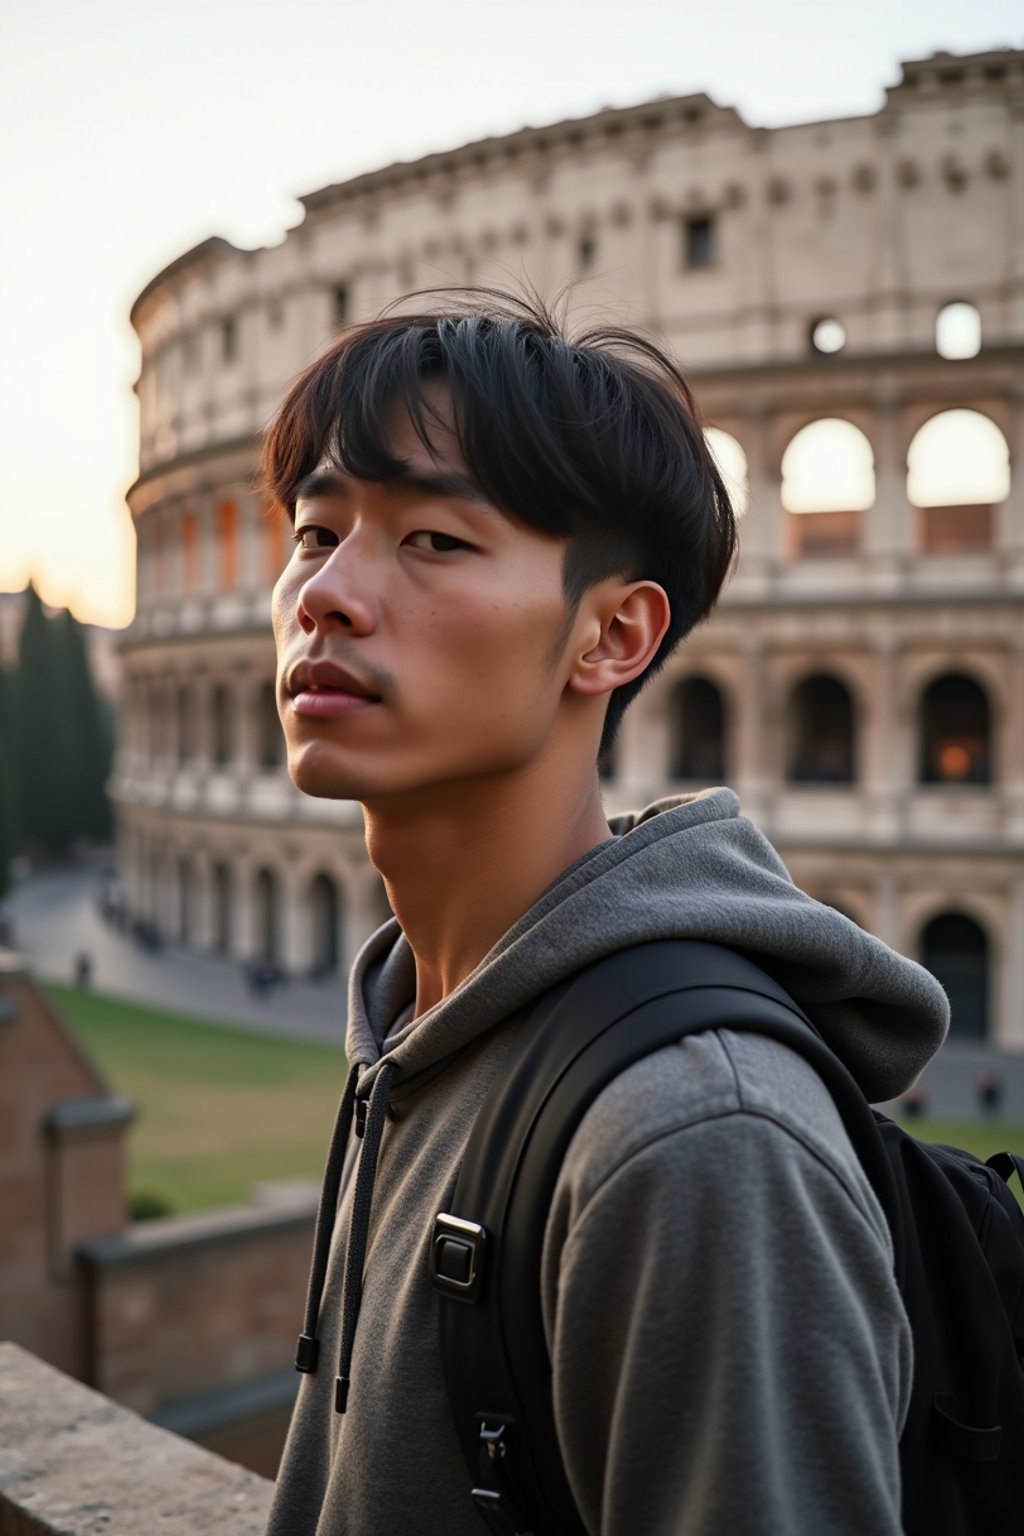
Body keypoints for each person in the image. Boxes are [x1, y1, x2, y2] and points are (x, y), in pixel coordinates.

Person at [263, 291, 949, 1536]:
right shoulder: (423, 1022)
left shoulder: (692, 1134)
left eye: (434, 541)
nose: (328, 593)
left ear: (611, 636)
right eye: (316, 532)